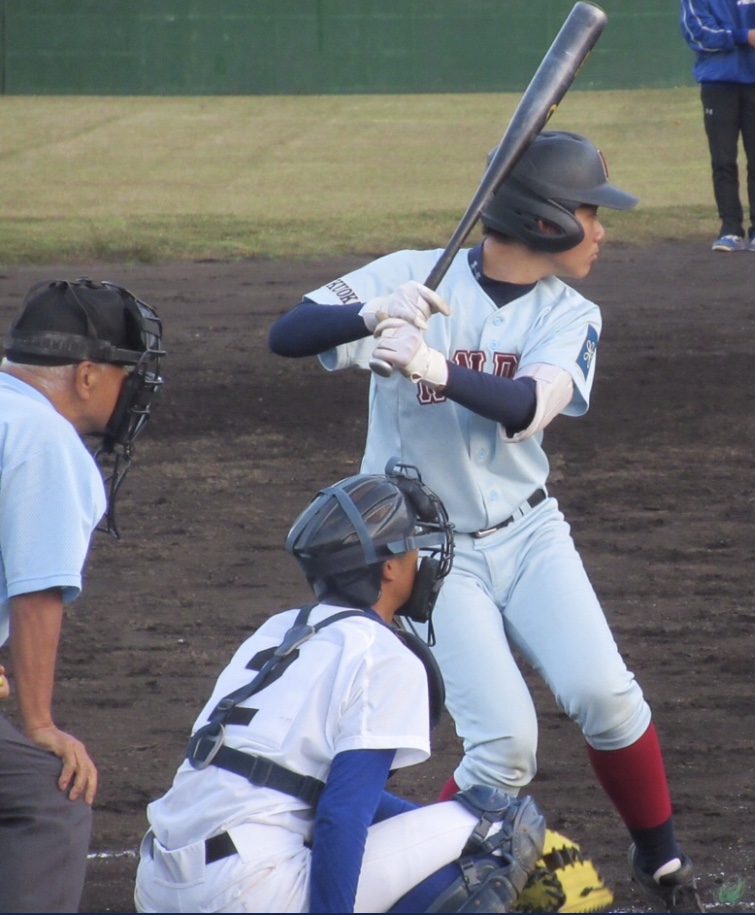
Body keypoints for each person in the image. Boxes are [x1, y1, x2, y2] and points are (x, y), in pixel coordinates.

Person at [268, 130, 704, 913]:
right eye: (589, 211)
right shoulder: (414, 275)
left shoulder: (570, 312)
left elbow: (526, 406)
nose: (601, 229)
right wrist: (369, 313)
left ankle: (662, 863)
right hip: (429, 561)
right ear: (546, 220)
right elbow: (288, 332)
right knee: (504, 744)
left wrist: (430, 363)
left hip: (531, 532)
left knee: (606, 694)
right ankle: (436, 882)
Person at [135, 463, 547, 913]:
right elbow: (342, 816)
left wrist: (430, 823)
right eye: (414, 547)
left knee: (446, 825)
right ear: (390, 567)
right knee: (500, 831)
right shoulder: (384, 655)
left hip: (158, 885)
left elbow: (302, 786)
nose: (422, 560)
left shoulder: (278, 630)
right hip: (243, 890)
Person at [0, 277, 165, 913]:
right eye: (128, 372)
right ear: (89, 375)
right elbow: (37, 592)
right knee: (47, 796)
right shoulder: (44, 439)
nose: (136, 388)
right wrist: (39, 724)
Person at [680, 0, 755, 254]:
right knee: (723, 160)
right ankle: (730, 228)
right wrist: (743, 36)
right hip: (717, 84)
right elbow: (696, 32)